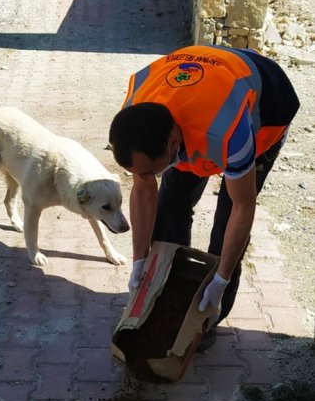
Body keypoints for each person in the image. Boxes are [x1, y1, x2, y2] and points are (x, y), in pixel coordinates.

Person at [108, 45, 299, 351]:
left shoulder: (228, 133)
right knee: (170, 207)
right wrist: (139, 259)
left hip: (265, 110)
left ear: (173, 144)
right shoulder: (138, 115)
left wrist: (221, 278)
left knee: (226, 224)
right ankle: (167, 288)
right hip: (200, 95)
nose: (146, 177)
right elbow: (143, 187)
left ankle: (209, 313)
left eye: (151, 170)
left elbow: (242, 206)